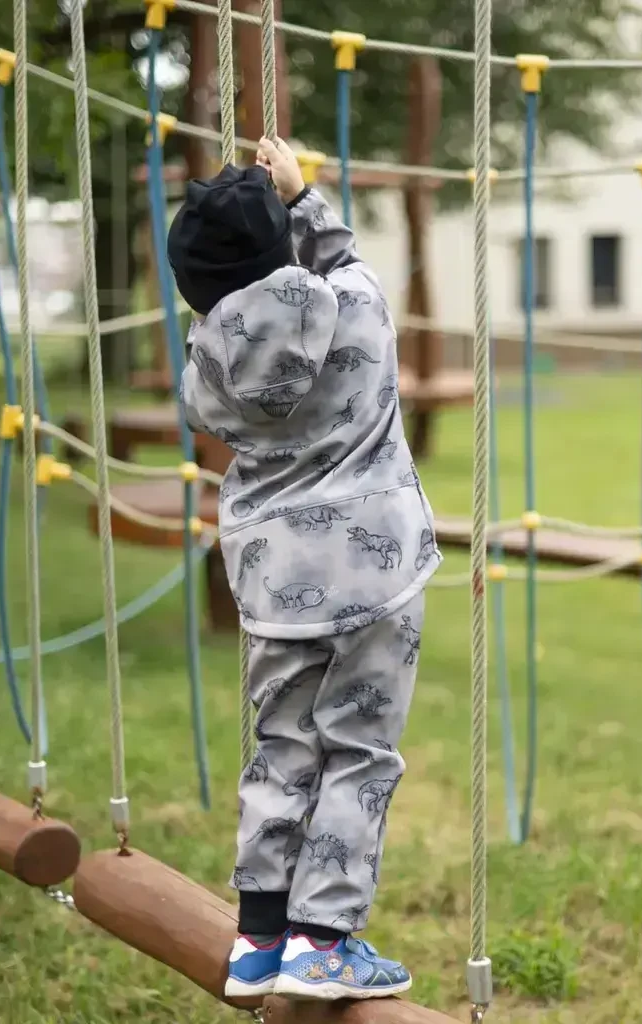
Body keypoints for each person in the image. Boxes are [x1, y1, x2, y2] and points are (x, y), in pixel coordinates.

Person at [168, 136, 442, 1001]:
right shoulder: (355, 309)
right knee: (359, 751)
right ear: (282, 247)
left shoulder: (205, 370)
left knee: (282, 747)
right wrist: (300, 198)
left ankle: (259, 937)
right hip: (373, 581)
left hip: (275, 586)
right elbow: (347, 262)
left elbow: (247, 308)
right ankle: (323, 940)